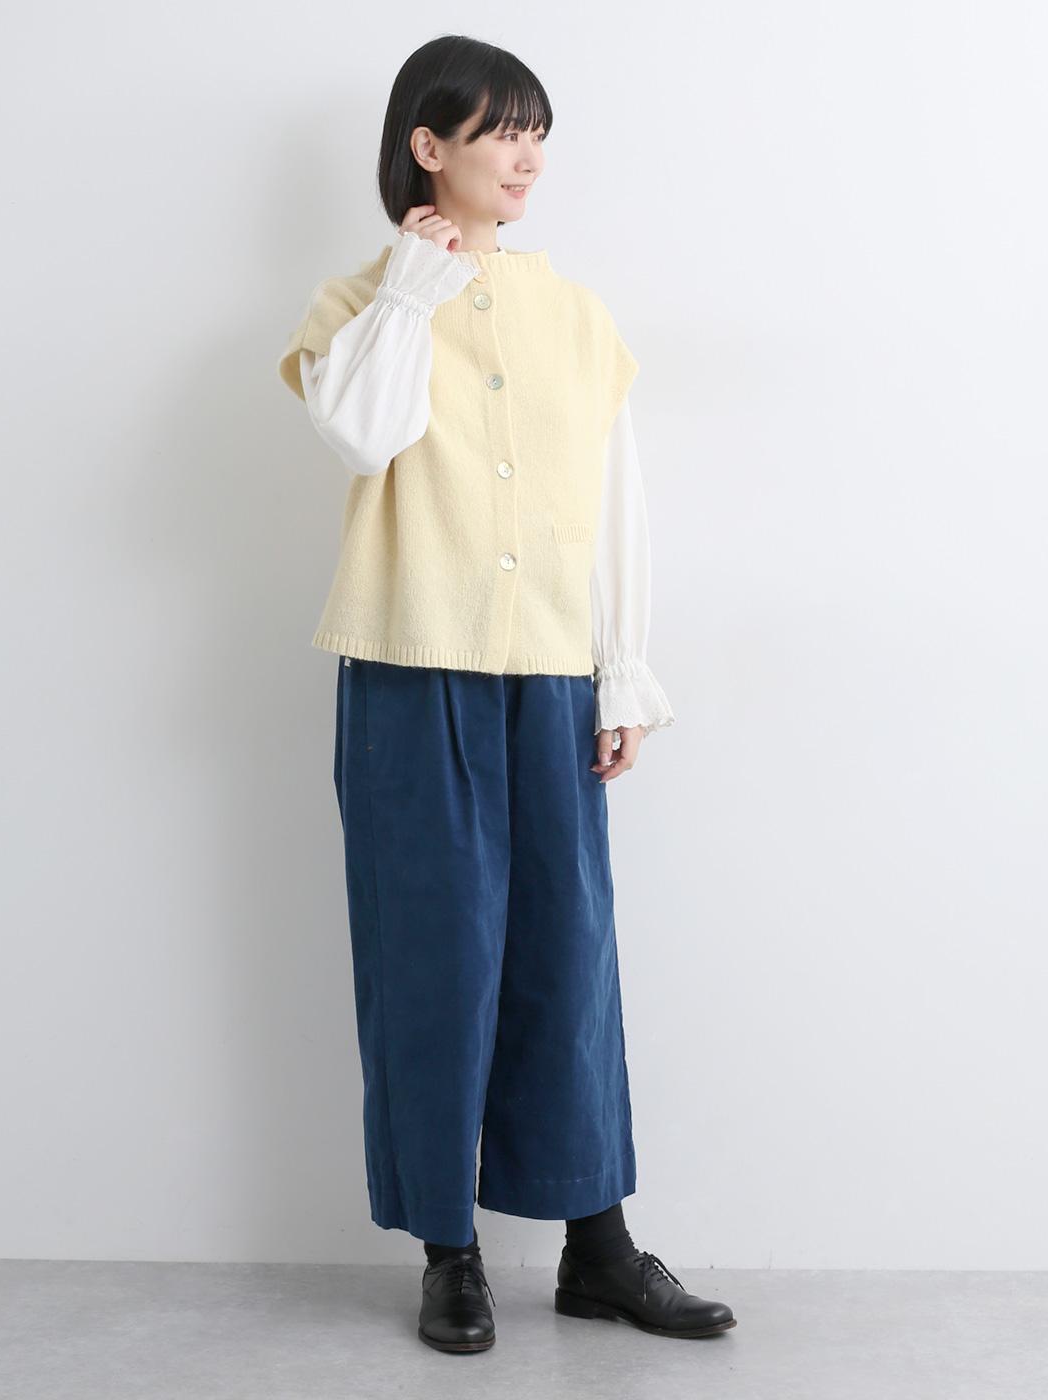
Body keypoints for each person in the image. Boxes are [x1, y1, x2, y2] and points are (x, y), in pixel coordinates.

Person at [277, 34, 736, 1352]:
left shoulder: (576, 315)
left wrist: (622, 668)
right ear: (429, 146)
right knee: (434, 961)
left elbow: (615, 499)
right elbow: (360, 434)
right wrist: (412, 288)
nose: (526, 158)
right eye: (499, 132)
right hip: (410, 667)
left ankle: (600, 1246)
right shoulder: (359, 302)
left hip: (549, 674)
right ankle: (450, 1252)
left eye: (537, 134)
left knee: (567, 957)